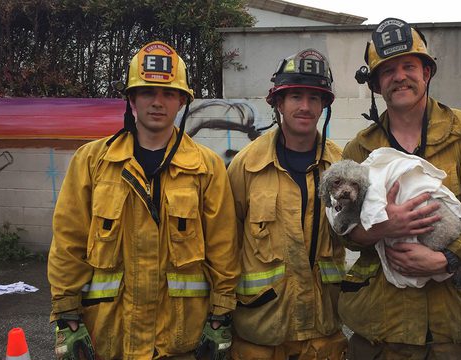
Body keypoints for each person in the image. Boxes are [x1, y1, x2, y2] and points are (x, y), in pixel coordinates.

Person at [48, 41, 239, 359]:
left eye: (168, 94)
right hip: (110, 339)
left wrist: (221, 315)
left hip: (179, 339)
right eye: (148, 92)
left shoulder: (207, 167)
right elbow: (69, 241)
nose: (158, 102)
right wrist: (66, 313)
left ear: (181, 101)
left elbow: (223, 247)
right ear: (132, 99)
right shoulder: (93, 161)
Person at [338, 18, 461, 359]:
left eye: (408, 66)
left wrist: (446, 259)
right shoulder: (359, 151)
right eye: (387, 71)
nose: (399, 76)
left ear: (427, 73)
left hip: (456, 328)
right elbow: (343, 232)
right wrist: (383, 227)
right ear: (376, 85)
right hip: (382, 329)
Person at [227, 49, 347, 359]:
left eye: (314, 97)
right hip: (262, 333)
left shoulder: (341, 168)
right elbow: (226, 244)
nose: (305, 106)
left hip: (323, 334)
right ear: (278, 103)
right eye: (295, 96)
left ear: (324, 106)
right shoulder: (246, 166)